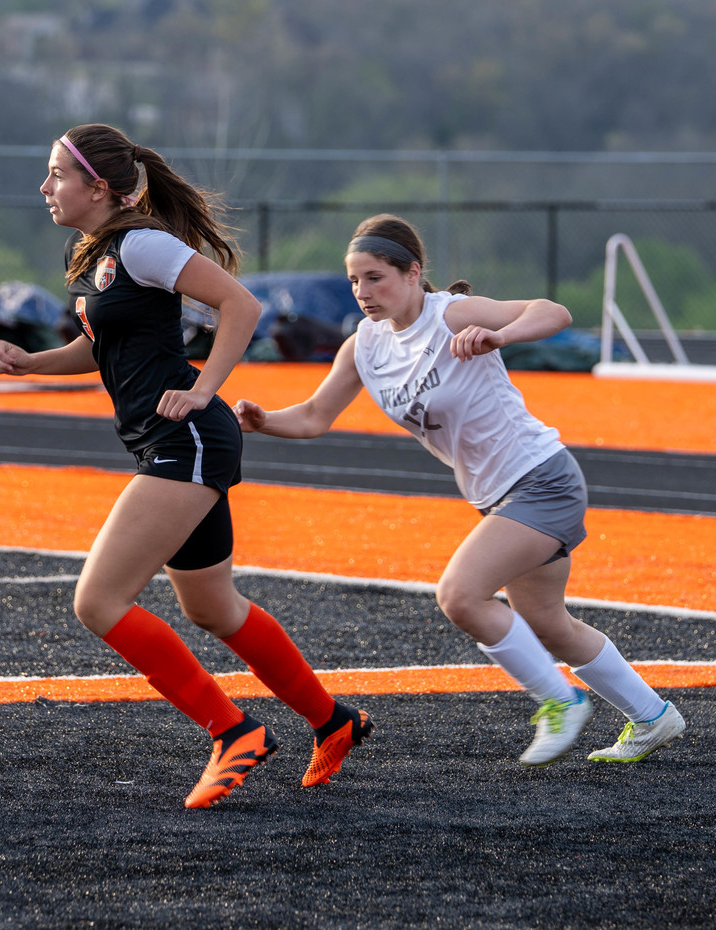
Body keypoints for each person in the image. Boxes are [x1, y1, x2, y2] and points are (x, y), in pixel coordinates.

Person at [0, 124, 371, 807]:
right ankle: (333, 720)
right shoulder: (101, 256)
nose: (44, 187)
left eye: (55, 175)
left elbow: (240, 304)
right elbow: (95, 348)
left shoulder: (143, 243)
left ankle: (232, 733)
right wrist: (30, 363)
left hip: (186, 439)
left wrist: (202, 388)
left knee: (98, 602)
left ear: (97, 186)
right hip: (170, 442)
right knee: (213, 607)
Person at [235, 213, 686, 767]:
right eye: (354, 280)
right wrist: (262, 421)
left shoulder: (449, 313)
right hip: (498, 497)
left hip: (542, 478)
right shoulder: (363, 347)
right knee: (550, 626)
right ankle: (653, 716)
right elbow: (311, 417)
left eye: (375, 277)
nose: (362, 291)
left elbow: (554, 312)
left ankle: (559, 701)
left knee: (460, 595)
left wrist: (501, 334)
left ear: (412, 273)